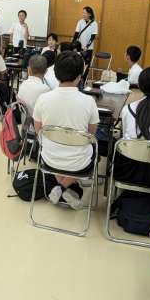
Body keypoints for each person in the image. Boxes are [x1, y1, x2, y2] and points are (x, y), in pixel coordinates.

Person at [33, 51, 99, 210]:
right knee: (92, 151)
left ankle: (60, 187)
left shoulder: (43, 99)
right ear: (79, 77)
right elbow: (91, 135)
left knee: (54, 147)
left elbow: (38, 132)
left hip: (49, 159)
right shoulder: (89, 101)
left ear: (55, 74)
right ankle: (64, 187)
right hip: (79, 163)